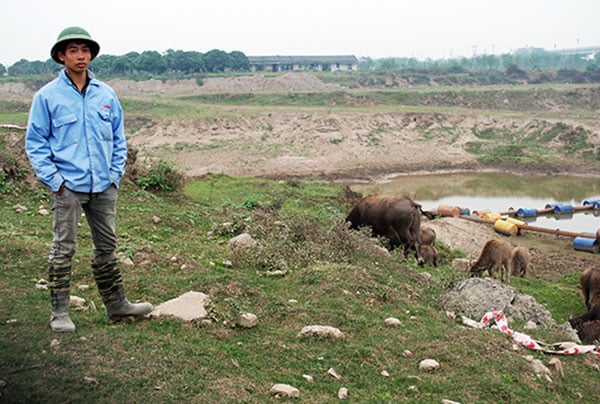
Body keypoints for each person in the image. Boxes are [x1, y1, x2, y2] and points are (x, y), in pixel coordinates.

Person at [25, 27, 153, 333]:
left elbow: (118, 137)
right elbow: (36, 143)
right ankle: (60, 313)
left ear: (91, 55)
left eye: (85, 50)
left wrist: (114, 175)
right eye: (73, 50)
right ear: (61, 56)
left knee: (107, 246)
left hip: (103, 186)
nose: (80, 56)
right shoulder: (47, 96)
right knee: (63, 247)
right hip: (68, 186)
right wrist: (54, 181)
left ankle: (117, 306)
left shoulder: (106, 93)